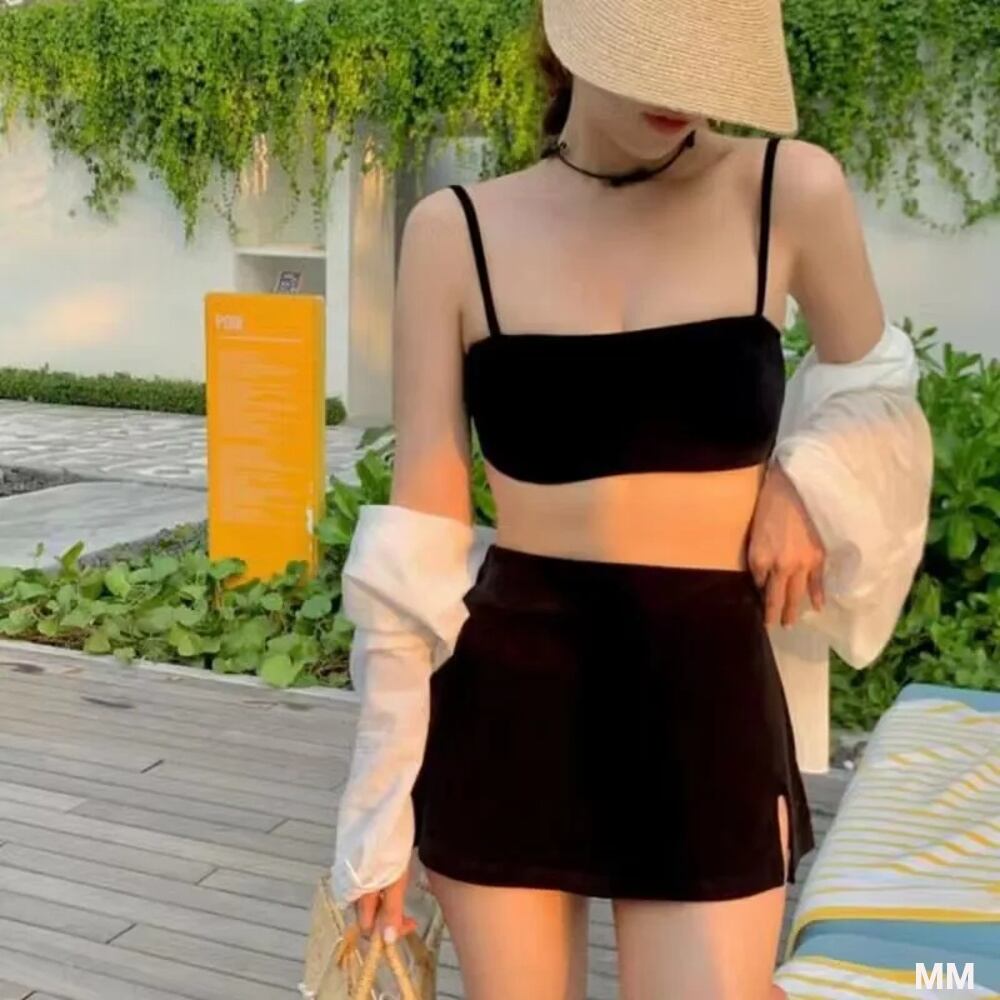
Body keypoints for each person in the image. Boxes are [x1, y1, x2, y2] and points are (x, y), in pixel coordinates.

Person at [331, 0, 929, 997]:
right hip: (510, 697)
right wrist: (378, 808)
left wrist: (807, 480)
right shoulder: (455, 231)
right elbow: (419, 535)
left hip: (706, 692)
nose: (680, 92)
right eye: (652, 55)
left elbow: (878, 389)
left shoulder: (787, 190)